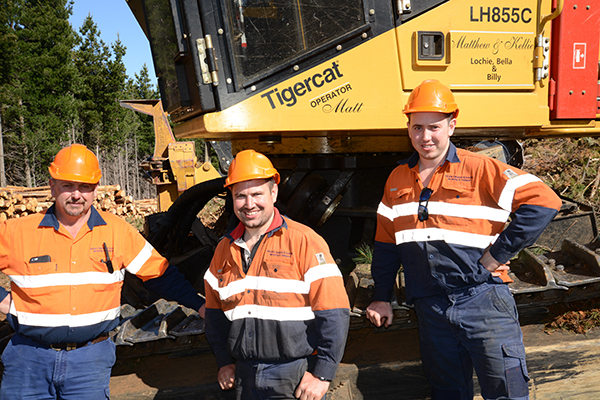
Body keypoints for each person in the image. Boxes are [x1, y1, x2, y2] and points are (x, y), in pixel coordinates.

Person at [366, 79, 562, 400]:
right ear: (408, 128)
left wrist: (496, 255)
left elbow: (544, 201)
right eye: (417, 127)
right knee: (448, 392)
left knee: (505, 393)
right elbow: (387, 244)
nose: (425, 137)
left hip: (483, 301)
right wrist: (381, 296)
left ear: (451, 125)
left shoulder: (481, 168)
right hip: (431, 309)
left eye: (434, 127)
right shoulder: (397, 179)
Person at [0, 144, 206, 399]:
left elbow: (160, 274)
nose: (77, 195)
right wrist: (2, 300)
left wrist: (199, 305)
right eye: (68, 186)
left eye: (85, 187)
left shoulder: (117, 231)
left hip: (89, 360)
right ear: (52, 186)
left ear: (96, 189)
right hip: (28, 359)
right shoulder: (17, 232)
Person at [204, 149, 350, 400]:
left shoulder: (304, 241)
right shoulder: (224, 249)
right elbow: (215, 314)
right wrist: (224, 361)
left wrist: (322, 374)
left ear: (273, 193)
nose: (249, 204)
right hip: (244, 376)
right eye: (241, 196)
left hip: (294, 375)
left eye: (257, 194)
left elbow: (334, 312)